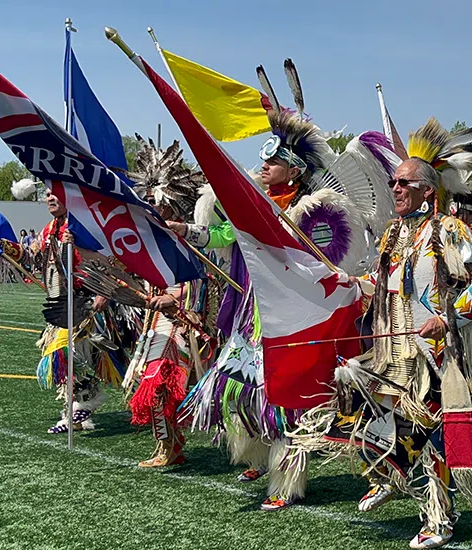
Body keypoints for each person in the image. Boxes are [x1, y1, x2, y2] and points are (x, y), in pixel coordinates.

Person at [295, 118, 472, 549]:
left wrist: (449, 317)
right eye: (393, 183)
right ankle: (387, 474)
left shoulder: (450, 230)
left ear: (429, 189)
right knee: (358, 393)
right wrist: (349, 283)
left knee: (430, 439)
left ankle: (439, 520)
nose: (396, 189)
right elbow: (383, 285)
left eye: (405, 183)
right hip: (393, 354)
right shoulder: (392, 235)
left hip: (436, 357)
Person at [171, 111, 393, 509]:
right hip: (253, 315)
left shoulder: (316, 210)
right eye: (264, 161)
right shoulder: (258, 208)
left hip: (296, 318)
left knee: (288, 394)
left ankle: (287, 479)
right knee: (242, 389)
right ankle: (255, 455)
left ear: (294, 170)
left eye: (272, 162)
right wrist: (189, 232)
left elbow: (326, 263)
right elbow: (229, 235)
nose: (264, 167)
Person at [0, 187, 133, 434]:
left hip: (87, 302)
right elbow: (31, 256)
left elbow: (113, 260)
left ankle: (90, 402)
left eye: (56, 193)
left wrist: (104, 292)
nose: (50, 198)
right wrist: (6, 247)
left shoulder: (87, 226)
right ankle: (78, 411)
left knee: (69, 354)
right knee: (69, 360)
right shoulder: (50, 230)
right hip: (62, 306)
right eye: (47, 193)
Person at [124, 137, 216, 468]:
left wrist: (171, 299)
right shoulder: (148, 239)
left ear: (172, 204)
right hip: (156, 321)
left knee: (160, 381)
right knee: (151, 382)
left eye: (156, 202)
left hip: (184, 323)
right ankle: (169, 446)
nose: (150, 206)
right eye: (146, 200)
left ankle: (171, 448)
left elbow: (204, 280)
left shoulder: (189, 237)